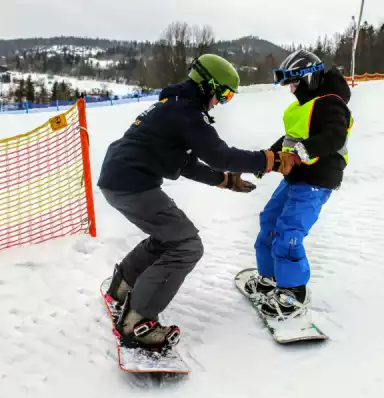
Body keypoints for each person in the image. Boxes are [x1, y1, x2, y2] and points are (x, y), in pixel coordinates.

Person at [97, 54, 297, 349]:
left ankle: (122, 287)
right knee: (187, 245)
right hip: (131, 183)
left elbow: (187, 164)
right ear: (208, 85)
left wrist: (226, 180)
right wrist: (270, 160)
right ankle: (136, 322)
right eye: (224, 94)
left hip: (120, 178)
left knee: (169, 236)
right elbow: (220, 155)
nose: (222, 101)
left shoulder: (174, 107)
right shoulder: (186, 112)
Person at [243, 49, 353, 320]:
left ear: (310, 79)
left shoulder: (331, 103)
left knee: (289, 231)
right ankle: (270, 279)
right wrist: (267, 159)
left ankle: (292, 293)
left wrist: (300, 153)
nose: (291, 90)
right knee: (269, 219)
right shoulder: (303, 107)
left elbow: (334, 137)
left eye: (294, 84)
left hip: (317, 179)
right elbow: (289, 139)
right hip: (296, 178)